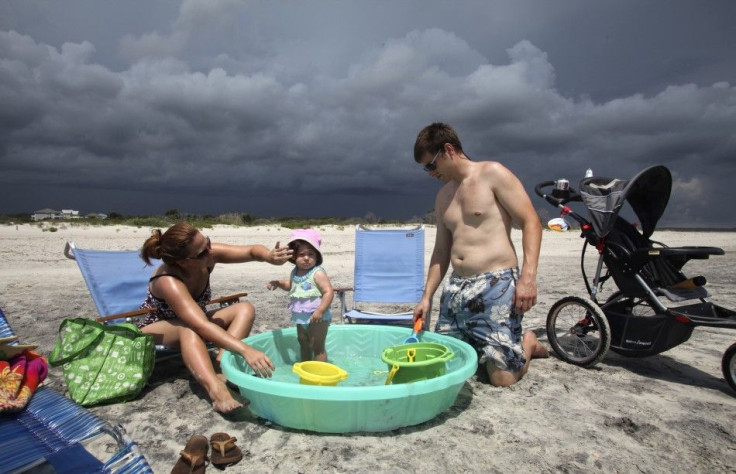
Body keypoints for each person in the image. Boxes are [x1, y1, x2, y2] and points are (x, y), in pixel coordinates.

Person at [412, 123, 548, 387]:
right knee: (446, 365)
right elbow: (441, 251)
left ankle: (528, 343)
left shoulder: (493, 174)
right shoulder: (443, 197)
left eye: (431, 165)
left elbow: (531, 221)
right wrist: (426, 297)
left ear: (448, 149)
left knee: (502, 379)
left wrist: (528, 278)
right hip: (456, 288)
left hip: (495, 284)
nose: (430, 173)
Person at [138, 222, 292, 413]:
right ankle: (216, 391)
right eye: (203, 251)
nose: (210, 251)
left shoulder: (206, 255)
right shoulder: (168, 280)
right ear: (183, 262)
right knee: (187, 328)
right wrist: (246, 350)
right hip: (157, 328)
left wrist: (269, 256)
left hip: (195, 323)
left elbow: (252, 251)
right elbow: (200, 324)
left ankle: (220, 369)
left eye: (208, 242)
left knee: (244, 308)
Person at [267, 229, 334, 362]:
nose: (306, 258)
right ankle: (306, 368)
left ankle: (320, 375)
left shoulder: (317, 273)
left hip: (317, 317)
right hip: (300, 316)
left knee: (317, 346)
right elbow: (292, 286)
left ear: (317, 256)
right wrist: (279, 283)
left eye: (311, 254)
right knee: (303, 343)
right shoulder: (295, 272)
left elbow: (328, 292)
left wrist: (320, 310)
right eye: (302, 254)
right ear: (293, 257)